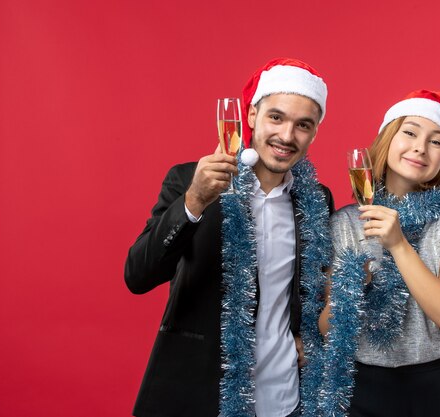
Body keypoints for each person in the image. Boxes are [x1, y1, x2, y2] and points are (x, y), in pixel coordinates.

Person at [124, 58, 334, 417]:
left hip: (284, 397)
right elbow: (138, 276)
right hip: (199, 392)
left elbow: (309, 286)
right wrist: (194, 200)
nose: (286, 136)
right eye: (276, 117)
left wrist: (304, 334)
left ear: (314, 132)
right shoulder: (191, 179)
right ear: (251, 115)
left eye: (303, 125)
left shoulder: (316, 200)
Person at [316, 90, 440, 417]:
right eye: (409, 132)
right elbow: (327, 327)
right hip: (360, 388)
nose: (420, 148)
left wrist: (398, 244)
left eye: (436, 141)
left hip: (437, 388)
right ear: (388, 139)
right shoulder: (344, 223)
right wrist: (354, 284)